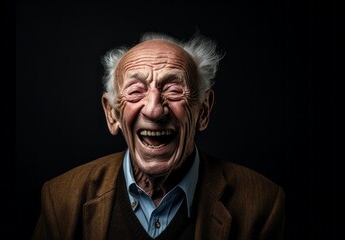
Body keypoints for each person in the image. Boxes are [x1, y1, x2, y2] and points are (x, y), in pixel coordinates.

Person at [32, 31, 285, 240]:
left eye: (174, 90)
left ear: (203, 111)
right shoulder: (61, 199)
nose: (154, 109)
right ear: (112, 114)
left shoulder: (262, 203)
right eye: (135, 91)